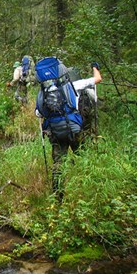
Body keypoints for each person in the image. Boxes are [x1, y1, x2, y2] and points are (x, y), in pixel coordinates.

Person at [36, 62, 102, 198]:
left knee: (58, 164)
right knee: (83, 156)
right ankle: (88, 190)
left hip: (55, 132)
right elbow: (97, 79)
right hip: (74, 129)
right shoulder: (74, 85)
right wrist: (95, 68)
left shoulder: (43, 92)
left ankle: (58, 196)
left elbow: (38, 113)